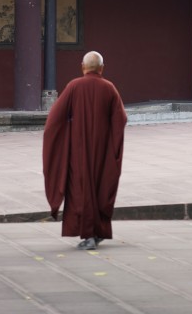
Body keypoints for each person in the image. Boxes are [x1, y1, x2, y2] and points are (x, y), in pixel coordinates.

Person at [42, 50, 127, 250]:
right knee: (99, 188)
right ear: (102, 68)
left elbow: (53, 121)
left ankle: (89, 235)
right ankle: (97, 233)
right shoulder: (109, 88)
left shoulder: (73, 86)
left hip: (78, 152)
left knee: (81, 191)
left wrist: (63, 139)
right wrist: (112, 147)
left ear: (82, 67)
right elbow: (120, 119)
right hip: (102, 152)